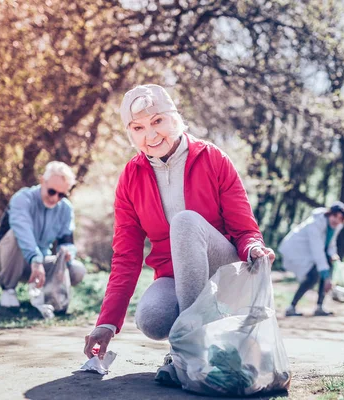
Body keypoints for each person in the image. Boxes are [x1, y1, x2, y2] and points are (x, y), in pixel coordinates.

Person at [82, 84, 275, 385]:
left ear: (174, 118)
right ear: (131, 133)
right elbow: (126, 256)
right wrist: (107, 322)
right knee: (152, 318)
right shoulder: (130, 178)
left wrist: (253, 248)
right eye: (139, 127)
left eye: (157, 120)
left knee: (184, 222)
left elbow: (244, 229)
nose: (151, 134)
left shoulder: (213, 158)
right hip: (175, 276)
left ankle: (188, 354)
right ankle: (196, 346)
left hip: (222, 271)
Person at [0, 161, 86, 308]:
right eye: (52, 191)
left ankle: (48, 294)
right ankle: (8, 290)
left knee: (77, 270)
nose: (55, 198)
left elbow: (67, 240)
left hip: (40, 264)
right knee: (17, 235)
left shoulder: (65, 208)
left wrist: (67, 253)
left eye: (61, 195)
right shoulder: (22, 199)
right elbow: (23, 231)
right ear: (42, 181)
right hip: (6, 260)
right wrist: (35, 260)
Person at [278, 201, 344, 317]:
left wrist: (333, 255)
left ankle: (319, 306)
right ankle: (291, 307)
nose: (336, 220)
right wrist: (326, 277)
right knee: (313, 276)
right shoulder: (315, 223)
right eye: (335, 216)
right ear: (329, 214)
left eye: (340, 218)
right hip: (298, 250)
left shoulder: (337, 226)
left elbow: (331, 243)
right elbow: (317, 249)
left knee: (323, 269)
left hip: (314, 252)